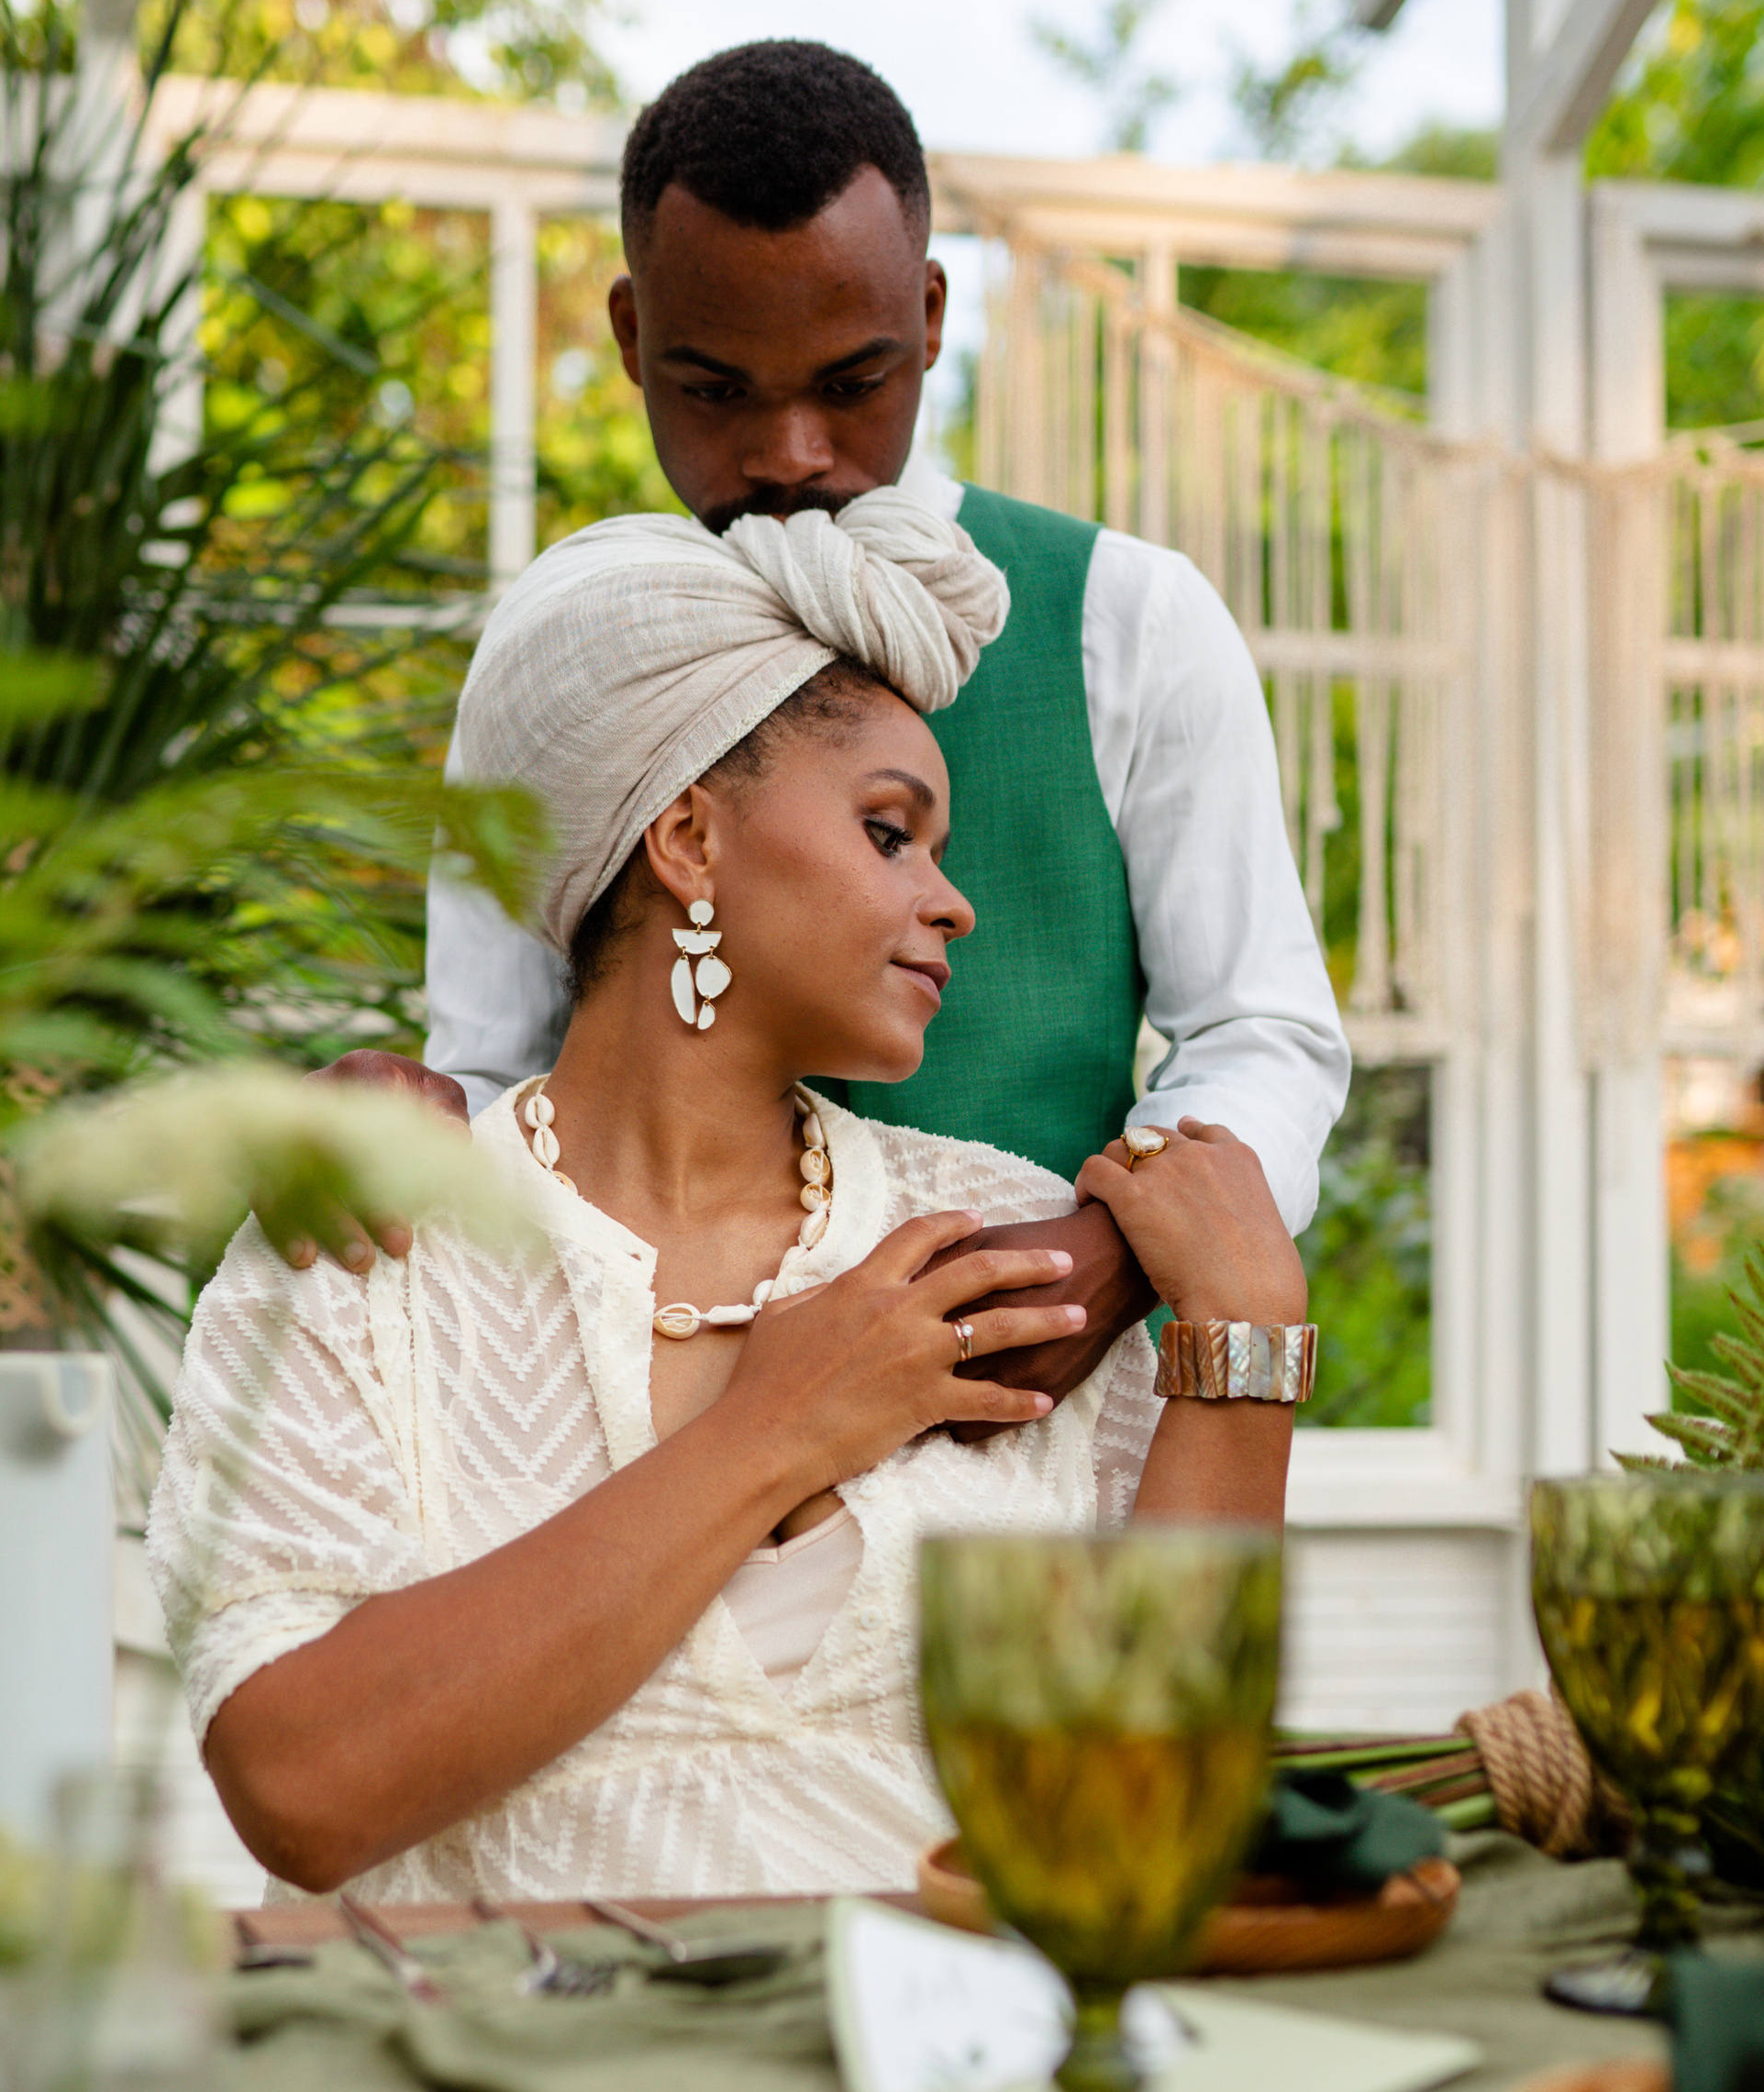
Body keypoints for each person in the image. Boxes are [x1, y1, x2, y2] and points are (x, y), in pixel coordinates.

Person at [151, 494, 1312, 1907]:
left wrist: (1244, 1361)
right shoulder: (363, 1243)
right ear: (688, 840)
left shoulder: (994, 1252)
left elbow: (1150, 1832)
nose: (953, 905)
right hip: (489, 2091)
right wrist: (776, 1428)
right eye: (893, 834)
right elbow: (302, 1791)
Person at [317, 39, 1348, 1392]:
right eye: (715, 388)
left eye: (853, 383)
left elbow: (1262, 1036)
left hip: (1032, 1458)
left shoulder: (1130, 621)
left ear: (929, 315)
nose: (791, 454)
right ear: (631, 339)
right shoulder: (561, 654)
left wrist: (1114, 1254)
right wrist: (403, 1108)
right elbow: (498, 1065)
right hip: (644, 1435)